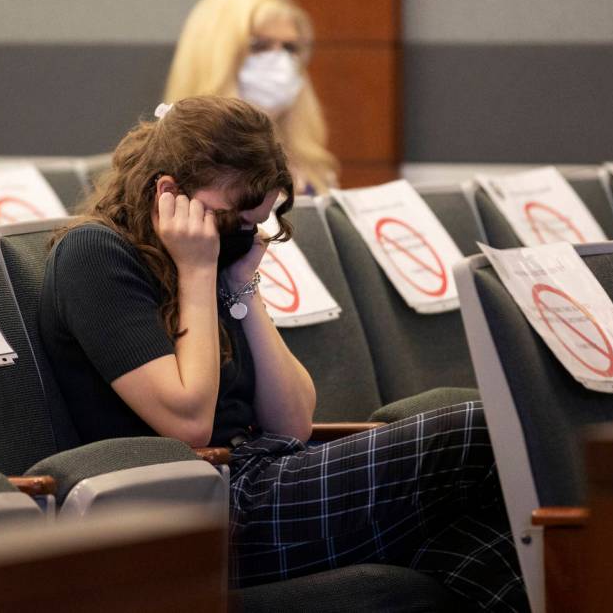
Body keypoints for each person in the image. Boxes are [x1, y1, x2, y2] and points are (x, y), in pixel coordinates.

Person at [39, 96, 528, 611]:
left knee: (482, 544)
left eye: (257, 222)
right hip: (197, 512)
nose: (243, 235)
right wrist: (199, 273)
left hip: (264, 476)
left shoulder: (212, 263)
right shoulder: (94, 256)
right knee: (483, 431)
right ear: (168, 194)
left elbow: (292, 422)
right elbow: (187, 422)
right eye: (232, 220)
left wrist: (240, 284)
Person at [164, 0, 338, 195]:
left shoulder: (312, 168)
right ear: (215, 57)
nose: (279, 61)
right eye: (259, 46)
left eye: (290, 47)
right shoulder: (177, 169)